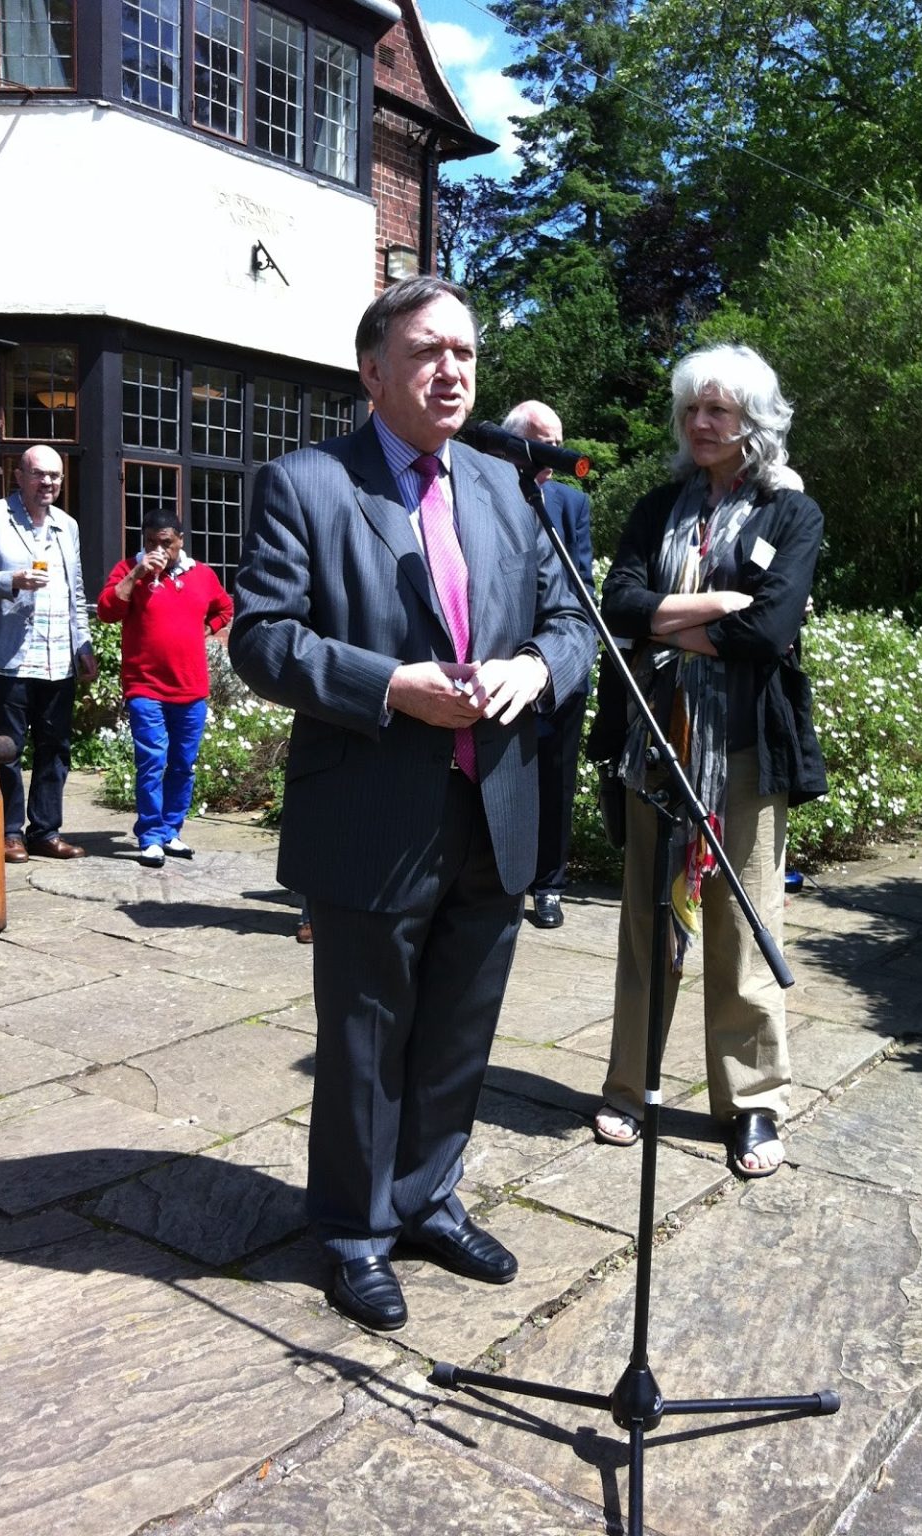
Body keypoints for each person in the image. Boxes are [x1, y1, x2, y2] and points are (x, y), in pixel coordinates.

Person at [229, 276, 594, 1332]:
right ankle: (351, 1229)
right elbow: (262, 638)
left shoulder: (503, 485)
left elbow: (570, 616)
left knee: (457, 1033)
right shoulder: (305, 483)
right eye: (429, 350)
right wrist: (390, 686)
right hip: (372, 812)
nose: (452, 371)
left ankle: (427, 1196)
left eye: (468, 354)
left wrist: (536, 669)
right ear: (372, 368)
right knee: (364, 1037)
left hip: (498, 807)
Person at [592, 343, 826, 1178]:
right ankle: (630, 1086)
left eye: (716, 411)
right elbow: (613, 605)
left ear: (751, 421)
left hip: (743, 752)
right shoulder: (656, 507)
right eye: (691, 408)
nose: (699, 423)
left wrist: (665, 625)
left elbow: (767, 631)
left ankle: (753, 1104)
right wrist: (709, 608)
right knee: (646, 927)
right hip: (654, 742)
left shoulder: (789, 515)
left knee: (741, 927)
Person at [0, 444, 98, 862]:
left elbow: (76, 592)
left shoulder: (67, 525)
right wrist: (11, 580)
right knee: (8, 747)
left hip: (58, 658)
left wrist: (83, 643)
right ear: (19, 476)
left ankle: (46, 831)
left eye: (55, 476)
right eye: (39, 475)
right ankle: (9, 833)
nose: (48, 483)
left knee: (55, 747)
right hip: (11, 657)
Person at [502, 400, 594, 929]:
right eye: (542, 441)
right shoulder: (483, 486)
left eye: (558, 442)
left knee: (556, 777)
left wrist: (555, 653)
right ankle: (500, 879)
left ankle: (548, 885)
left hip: (556, 661)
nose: (552, 453)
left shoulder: (568, 503)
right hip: (496, 661)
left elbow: (579, 586)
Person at [96, 510, 232, 867]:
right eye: (151, 543)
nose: (159, 549)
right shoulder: (129, 570)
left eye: (166, 543)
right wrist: (140, 572)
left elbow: (225, 607)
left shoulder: (201, 574)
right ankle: (151, 835)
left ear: (180, 541)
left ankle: (171, 831)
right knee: (152, 761)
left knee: (183, 765)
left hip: (191, 688)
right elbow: (107, 611)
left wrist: (208, 629)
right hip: (146, 687)